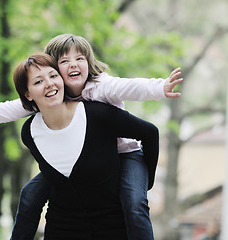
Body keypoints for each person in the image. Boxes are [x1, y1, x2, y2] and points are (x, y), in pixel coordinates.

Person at [0, 34, 182, 239]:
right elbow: (3, 110)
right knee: (29, 194)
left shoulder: (100, 88)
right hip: (78, 165)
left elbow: (132, 88)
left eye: (80, 59)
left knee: (134, 203)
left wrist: (160, 87)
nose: (73, 65)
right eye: (64, 61)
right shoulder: (48, 99)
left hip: (125, 154)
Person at [13, 53, 159, 239]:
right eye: (38, 82)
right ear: (27, 94)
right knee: (29, 194)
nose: (49, 84)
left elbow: (150, 132)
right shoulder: (30, 133)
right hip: (61, 229)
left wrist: (147, 179)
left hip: (113, 228)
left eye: (53, 75)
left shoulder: (98, 114)